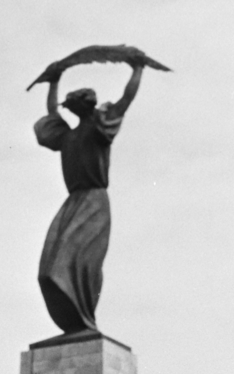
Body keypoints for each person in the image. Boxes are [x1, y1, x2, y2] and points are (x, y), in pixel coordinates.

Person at [32, 63, 145, 334]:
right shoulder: (67, 136)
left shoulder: (99, 128)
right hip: (74, 203)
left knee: (80, 260)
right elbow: (51, 113)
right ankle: (75, 320)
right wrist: (53, 83)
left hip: (94, 203)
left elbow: (126, 99)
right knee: (49, 270)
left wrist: (137, 69)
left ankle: (85, 318)